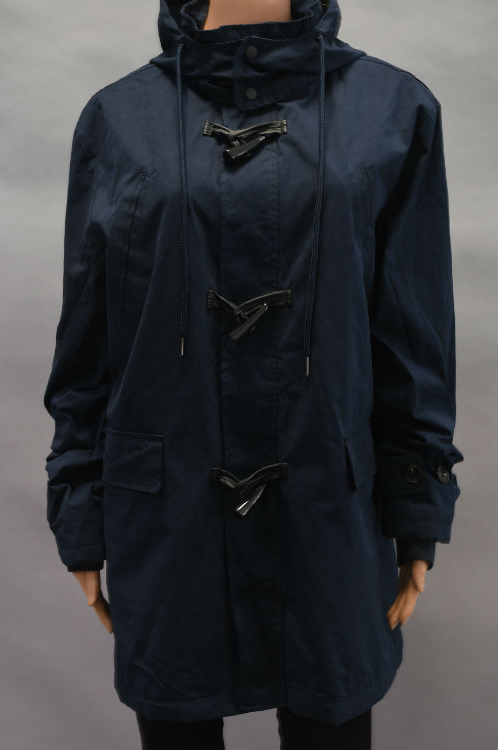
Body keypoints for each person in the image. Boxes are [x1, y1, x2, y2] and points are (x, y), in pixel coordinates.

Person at [43, 0, 464, 748]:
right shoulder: (116, 119)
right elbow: (87, 340)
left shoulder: (394, 109)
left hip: (328, 511)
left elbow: (412, 335)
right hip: (166, 515)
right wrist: (82, 505)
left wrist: (416, 507)